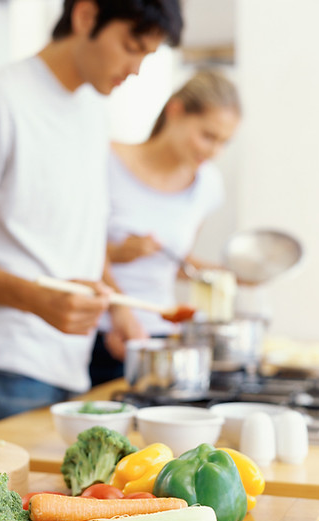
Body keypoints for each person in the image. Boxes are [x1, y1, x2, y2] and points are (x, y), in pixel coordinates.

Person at [0, 0, 183, 432]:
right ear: (85, 16)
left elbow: (80, 234)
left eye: (147, 56)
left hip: (62, 365)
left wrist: (117, 310)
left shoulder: (92, 111)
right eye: (131, 47)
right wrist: (34, 299)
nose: (135, 69)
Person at [90, 69, 242, 386]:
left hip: (161, 334)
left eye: (224, 142)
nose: (213, 151)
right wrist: (117, 255)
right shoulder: (104, 161)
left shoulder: (208, 185)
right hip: (102, 332)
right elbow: (74, 247)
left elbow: (177, 262)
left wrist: (231, 275)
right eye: (207, 135)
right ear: (175, 111)